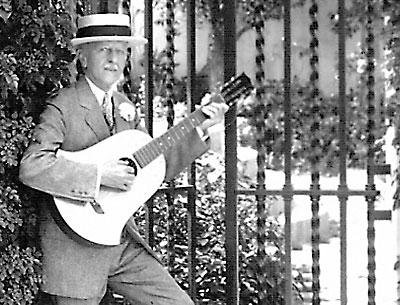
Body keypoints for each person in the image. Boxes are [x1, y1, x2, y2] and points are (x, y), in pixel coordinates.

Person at [19, 13, 228, 305]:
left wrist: (200, 128)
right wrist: (99, 176)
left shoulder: (124, 107)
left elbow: (153, 166)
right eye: (105, 49)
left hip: (119, 244)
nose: (114, 59)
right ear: (83, 56)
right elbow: (33, 166)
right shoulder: (63, 105)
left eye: (121, 51)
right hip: (74, 250)